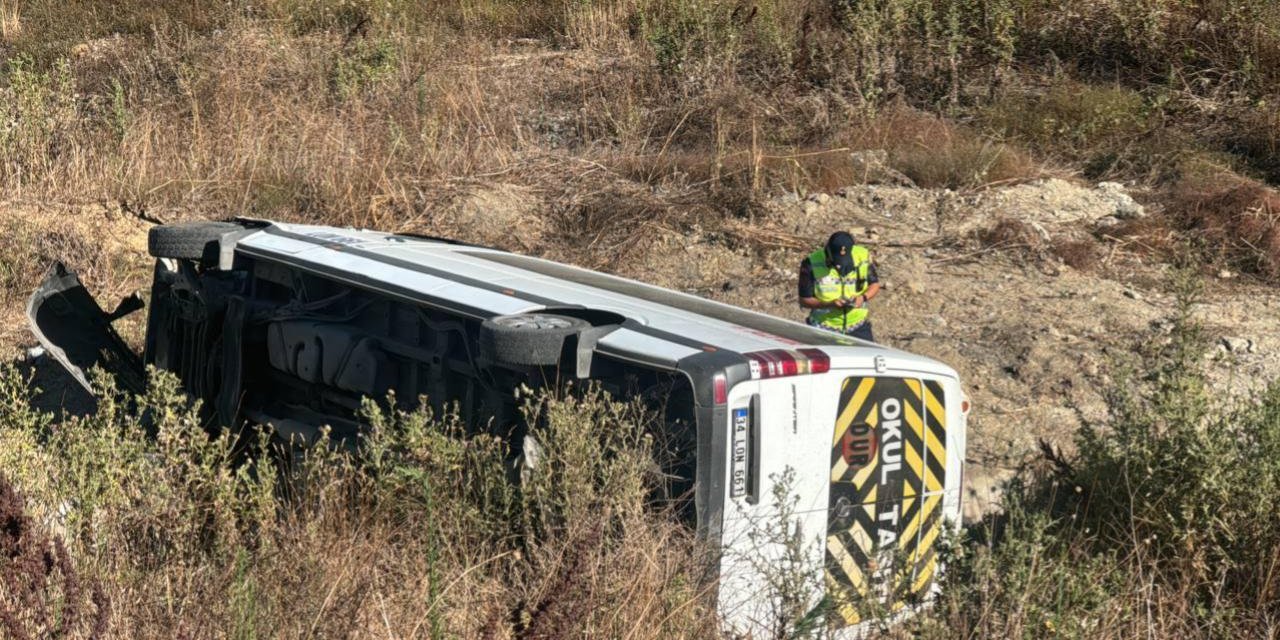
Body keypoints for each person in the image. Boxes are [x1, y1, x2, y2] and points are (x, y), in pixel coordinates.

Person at [797, 231, 881, 342]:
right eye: (836, 259)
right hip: (823, 329)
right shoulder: (811, 263)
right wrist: (829, 304)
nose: (838, 264)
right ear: (828, 250)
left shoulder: (862, 256)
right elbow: (804, 300)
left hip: (858, 328)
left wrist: (862, 298)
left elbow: (874, 284)